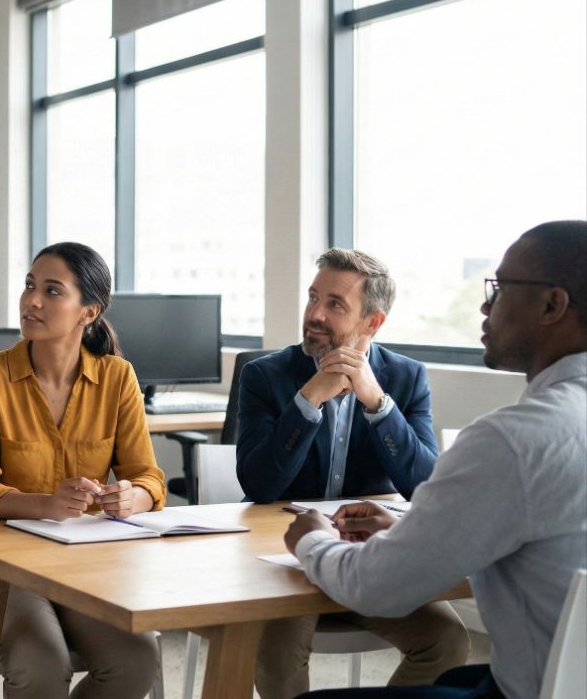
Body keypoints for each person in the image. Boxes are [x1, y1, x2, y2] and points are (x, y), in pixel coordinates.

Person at [285, 220, 587, 699]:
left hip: (534, 689)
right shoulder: (269, 373)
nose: (485, 306)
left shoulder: (513, 439)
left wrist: (312, 541)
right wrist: (420, 534)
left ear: (552, 304)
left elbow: (377, 587)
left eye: (501, 288)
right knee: (453, 677)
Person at [236, 248, 468, 697]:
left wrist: (377, 403)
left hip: (368, 556)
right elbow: (260, 485)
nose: (315, 314)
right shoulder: (266, 376)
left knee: (447, 641)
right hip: (283, 556)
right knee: (279, 655)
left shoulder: (406, 377)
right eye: (312, 298)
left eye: (335, 304)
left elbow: (423, 486)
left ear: (373, 323)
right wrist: (308, 402)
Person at [0, 242, 167, 699]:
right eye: (30, 286)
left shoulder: (117, 377)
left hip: (80, 565)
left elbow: (150, 478)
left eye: (51, 291)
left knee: (137, 658)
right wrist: (46, 504)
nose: (31, 301)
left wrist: (131, 496)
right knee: (41, 662)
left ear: (89, 312)